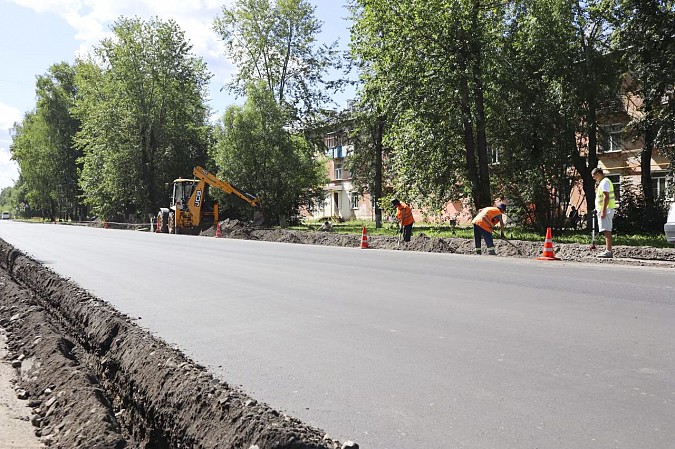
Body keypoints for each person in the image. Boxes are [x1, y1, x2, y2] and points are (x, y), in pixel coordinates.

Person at [592, 167, 616, 258]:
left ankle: (608, 251)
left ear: (598, 174)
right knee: (606, 229)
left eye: (594, 175)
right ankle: (608, 250)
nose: (593, 178)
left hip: (606, 209)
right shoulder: (602, 182)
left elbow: (606, 196)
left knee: (606, 230)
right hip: (606, 209)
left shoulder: (605, 182)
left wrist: (603, 210)